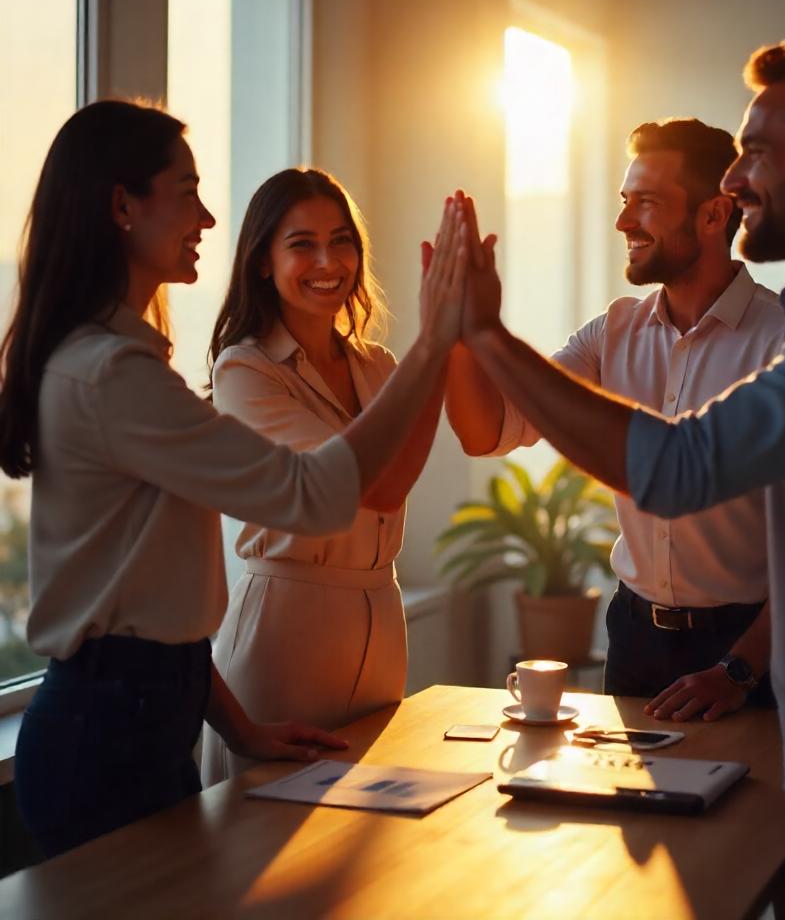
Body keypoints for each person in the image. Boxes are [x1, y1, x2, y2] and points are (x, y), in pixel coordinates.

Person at [456, 41, 785, 918]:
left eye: (757, 152)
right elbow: (488, 430)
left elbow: (681, 468)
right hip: (767, 701)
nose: (738, 181)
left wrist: (485, 333)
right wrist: (463, 339)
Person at [0, 100, 466, 858]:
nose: (209, 217)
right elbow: (317, 494)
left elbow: (161, 613)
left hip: (150, 711)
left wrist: (242, 727)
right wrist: (436, 340)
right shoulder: (116, 373)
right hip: (105, 733)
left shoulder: (127, 362)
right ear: (124, 205)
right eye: (187, 191)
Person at [446, 119, 785, 721]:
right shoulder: (612, 330)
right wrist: (456, 329)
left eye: (646, 204)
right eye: (625, 202)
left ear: (714, 214)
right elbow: (486, 432)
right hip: (634, 639)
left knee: (746, 815)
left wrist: (739, 669)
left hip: (747, 652)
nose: (624, 222)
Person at [201, 168, 447, 783]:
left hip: (381, 620)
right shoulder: (245, 372)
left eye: (342, 240)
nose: (327, 260)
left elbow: (396, 483)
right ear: (262, 262)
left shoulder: (379, 364)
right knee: (264, 846)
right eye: (301, 244)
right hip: (286, 632)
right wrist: (437, 348)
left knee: (366, 849)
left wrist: (434, 356)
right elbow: (370, 489)